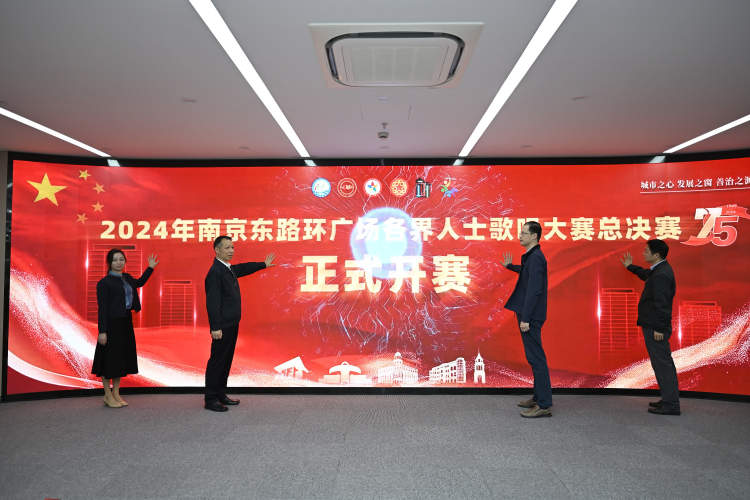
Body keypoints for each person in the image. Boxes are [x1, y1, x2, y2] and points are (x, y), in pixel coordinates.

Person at [204, 235, 275, 412]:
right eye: (227, 248)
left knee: (226, 361)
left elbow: (242, 268)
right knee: (217, 362)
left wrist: (263, 264)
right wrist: (215, 327)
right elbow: (212, 302)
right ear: (217, 250)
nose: (231, 251)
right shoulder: (215, 272)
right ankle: (211, 399)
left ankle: (221, 394)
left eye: (232, 247)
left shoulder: (227, 268)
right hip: (222, 327)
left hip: (231, 323)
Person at [92, 249, 158, 408]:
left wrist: (150, 267)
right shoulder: (104, 283)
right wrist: (102, 331)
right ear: (109, 263)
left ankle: (116, 393)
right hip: (111, 325)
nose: (119, 262)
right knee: (108, 360)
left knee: (120, 359)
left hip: (125, 322)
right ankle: (107, 395)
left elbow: (140, 282)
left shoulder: (127, 278)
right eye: (115, 260)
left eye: (121, 259)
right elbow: (102, 309)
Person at [621, 239, 680, 415]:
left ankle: (671, 404)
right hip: (654, 325)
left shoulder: (662, 274)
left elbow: (662, 304)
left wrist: (660, 328)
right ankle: (668, 399)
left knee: (663, 365)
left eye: (647, 251)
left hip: (656, 327)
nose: (643, 253)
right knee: (660, 364)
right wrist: (630, 267)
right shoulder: (659, 270)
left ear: (657, 255)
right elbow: (646, 274)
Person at [502, 221, 552, 418]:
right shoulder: (532, 257)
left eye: (524, 233)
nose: (520, 236)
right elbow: (527, 274)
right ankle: (538, 397)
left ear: (534, 236)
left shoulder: (536, 258)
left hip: (530, 316)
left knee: (536, 358)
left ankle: (544, 404)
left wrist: (526, 318)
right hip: (527, 313)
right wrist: (511, 266)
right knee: (534, 358)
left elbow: (534, 290)